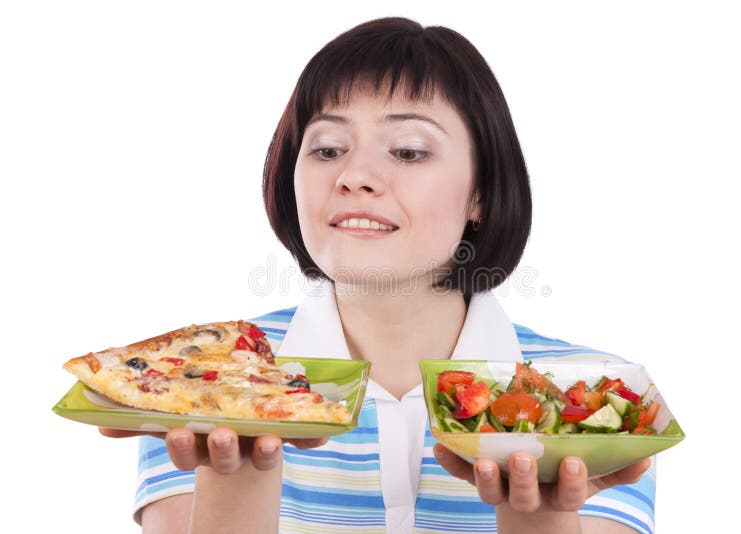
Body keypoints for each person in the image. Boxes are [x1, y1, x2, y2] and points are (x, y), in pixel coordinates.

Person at [102, 17, 655, 533]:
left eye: (409, 151)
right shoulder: (191, 380)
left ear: (480, 194)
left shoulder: (596, 400)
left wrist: (538, 511)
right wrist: (237, 467)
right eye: (327, 148)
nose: (355, 175)